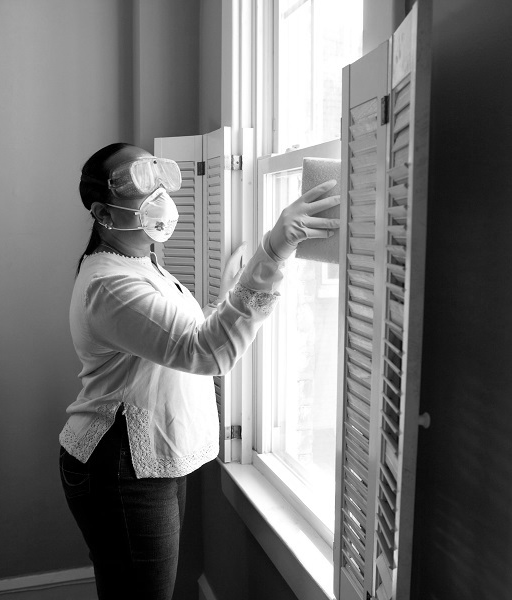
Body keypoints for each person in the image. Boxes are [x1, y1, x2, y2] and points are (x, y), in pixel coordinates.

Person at [58, 142, 339, 599]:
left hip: (143, 461)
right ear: (103, 213)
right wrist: (274, 250)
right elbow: (206, 353)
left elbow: (180, 336)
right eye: (139, 183)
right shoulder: (111, 284)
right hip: (119, 465)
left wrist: (236, 286)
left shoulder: (141, 266)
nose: (160, 195)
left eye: (160, 177)